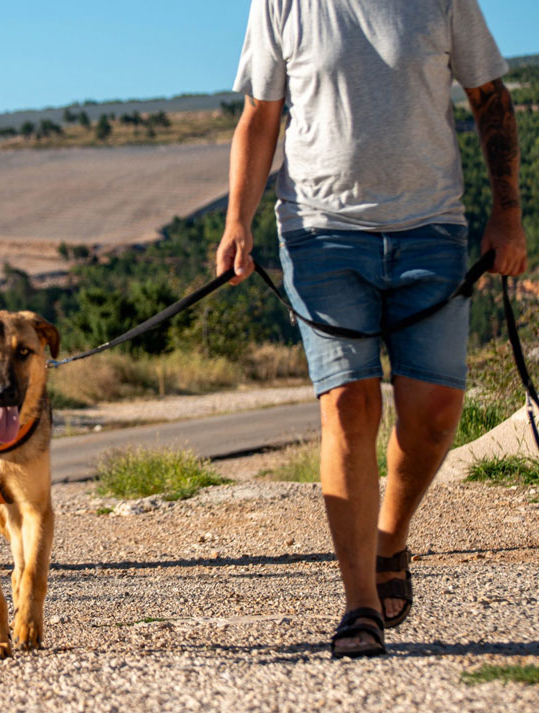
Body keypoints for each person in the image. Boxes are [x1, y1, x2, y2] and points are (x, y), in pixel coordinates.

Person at [217, 0, 527, 658]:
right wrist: (236, 221)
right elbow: (260, 115)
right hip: (319, 235)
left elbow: (490, 97)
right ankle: (360, 604)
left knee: (436, 411)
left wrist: (509, 215)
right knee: (349, 406)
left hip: (432, 230)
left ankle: (389, 535)